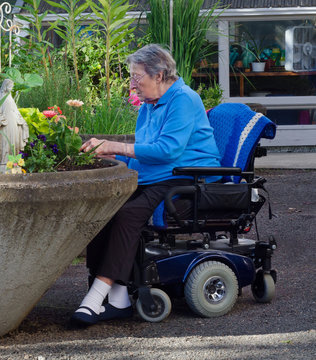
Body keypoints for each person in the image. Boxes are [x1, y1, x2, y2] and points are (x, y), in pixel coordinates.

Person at [72, 44, 222, 326]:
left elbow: (167, 150)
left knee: (129, 213)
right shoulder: (150, 105)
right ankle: (118, 299)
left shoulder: (184, 100)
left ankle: (96, 295)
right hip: (161, 173)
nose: (132, 85)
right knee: (107, 208)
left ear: (160, 75)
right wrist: (113, 154)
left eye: (136, 77)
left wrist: (116, 145)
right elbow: (144, 151)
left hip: (190, 176)